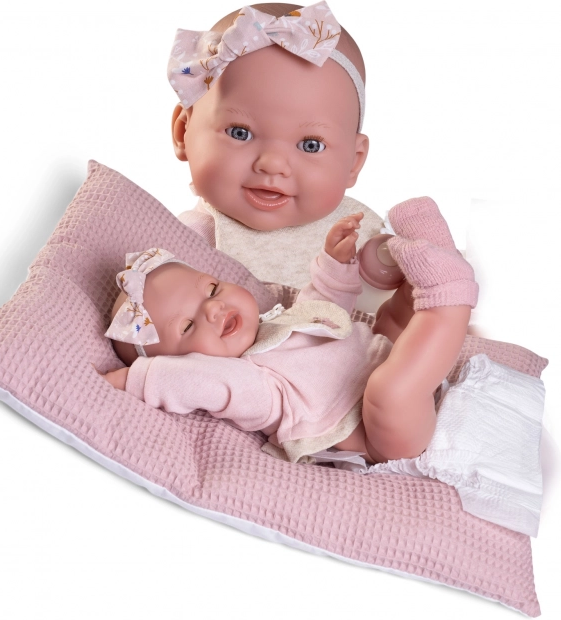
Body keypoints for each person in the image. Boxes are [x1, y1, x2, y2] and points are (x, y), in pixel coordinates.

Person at [102, 197, 478, 465]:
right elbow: (201, 383)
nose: (214, 309)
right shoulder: (250, 385)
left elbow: (321, 314)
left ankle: (433, 254)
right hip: (385, 433)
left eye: (212, 290)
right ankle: (448, 298)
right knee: (388, 391)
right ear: (186, 362)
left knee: (393, 317)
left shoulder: (275, 325)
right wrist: (141, 378)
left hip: (385, 354)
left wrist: (335, 264)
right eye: (188, 325)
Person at [169, 2, 388, 305]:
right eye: (240, 132)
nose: (272, 164)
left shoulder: (366, 237)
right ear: (183, 132)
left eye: (311, 145)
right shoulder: (185, 246)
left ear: (354, 161)